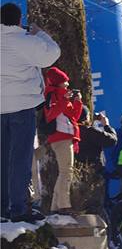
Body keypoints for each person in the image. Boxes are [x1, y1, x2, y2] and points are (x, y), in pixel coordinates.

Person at [1, 3, 60, 222]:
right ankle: (18, 208)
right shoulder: (25, 41)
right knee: (20, 159)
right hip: (22, 107)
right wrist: (40, 33)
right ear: (19, 20)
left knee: (2, 159)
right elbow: (52, 54)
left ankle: (1, 208)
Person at [42, 66, 83, 213]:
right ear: (57, 83)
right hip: (60, 137)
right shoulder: (51, 95)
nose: (67, 84)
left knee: (64, 171)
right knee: (66, 171)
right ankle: (64, 205)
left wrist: (77, 102)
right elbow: (50, 114)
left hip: (67, 136)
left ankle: (55, 207)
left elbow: (74, 117)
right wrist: (64, 100)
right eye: (64, 82)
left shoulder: (63, 95)